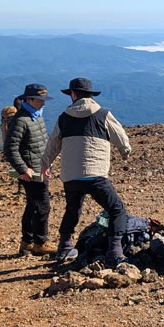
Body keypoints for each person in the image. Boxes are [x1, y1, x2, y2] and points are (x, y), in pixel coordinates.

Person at [40, 77, 131, 266]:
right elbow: (119, 135)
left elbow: (53, 143)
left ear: (73, 94)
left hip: (71, 176)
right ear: (90, 95)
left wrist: (45, 164)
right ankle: (114, 252)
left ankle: (64, 248)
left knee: (72, 209)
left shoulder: (64, 118)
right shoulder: (103, 114)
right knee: (116, 210)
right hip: (96, 174)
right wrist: (125, 151)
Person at [4, 83, 54, 255]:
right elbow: (10, 149)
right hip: (30, 172)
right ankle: (40, 243)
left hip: (39, 169)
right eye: (40, 100)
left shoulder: (35, 116)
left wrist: (46, 164)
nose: (43, 103)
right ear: (29, 99)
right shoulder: (21, 120)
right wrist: (23, 169)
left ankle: (27, 242)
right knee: (42, 205)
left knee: (33, 205)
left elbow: (41, 144)